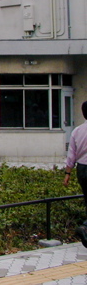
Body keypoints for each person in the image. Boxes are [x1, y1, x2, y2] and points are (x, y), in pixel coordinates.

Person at [64, 100, 87, 247]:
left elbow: (71, 155)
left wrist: (67, 173)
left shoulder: (77, 131)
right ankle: (85, 226)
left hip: (82, 169)